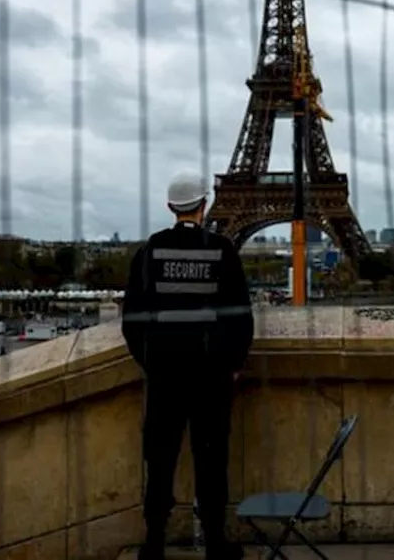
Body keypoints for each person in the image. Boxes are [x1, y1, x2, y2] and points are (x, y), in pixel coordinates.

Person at [122, 171, 254, 560]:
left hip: (165, 376)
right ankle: (215, 543)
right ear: (205, 205)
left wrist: (150, 362)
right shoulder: (222, 251)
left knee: (160, 460)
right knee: (211, 461)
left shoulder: (150, 252)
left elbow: (132, 320)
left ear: (169, 207)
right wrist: (231, 364)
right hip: (211, 376)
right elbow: (240, 317)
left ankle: (154, 543)